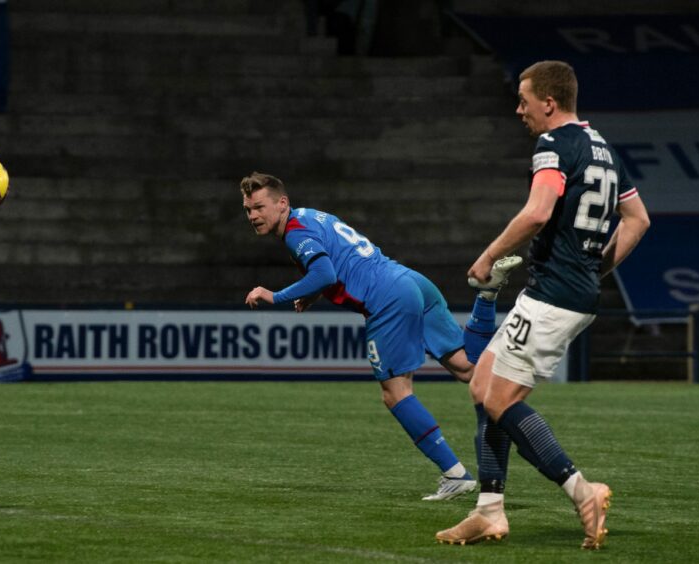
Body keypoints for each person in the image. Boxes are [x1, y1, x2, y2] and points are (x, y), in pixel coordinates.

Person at [435, 61, 650, 549]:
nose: (518, 109)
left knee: (499, 399)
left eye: (523, 99)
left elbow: (538, 211)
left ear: (548, 103)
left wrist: (489, 255)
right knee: (482, 385)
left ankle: (582, 490)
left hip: (554, 296)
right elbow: (637, 219)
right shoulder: (605, 150)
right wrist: (593, 267)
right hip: (563, 291)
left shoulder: (553, 144)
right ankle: (489, 511)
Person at [240, 171, 522, 501]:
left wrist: (276, 296)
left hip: (386, 297)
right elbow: (338, 262)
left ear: (282, 203)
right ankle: (486, 297)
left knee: (395, 393)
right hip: (408, 280)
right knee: (467, 370)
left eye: (259, 207)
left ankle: (454, 474)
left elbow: (325, 271)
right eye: (248, 210)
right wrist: (316, 294)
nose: (253, 216)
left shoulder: (294, 232)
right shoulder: (308, 216)